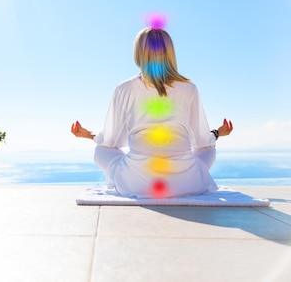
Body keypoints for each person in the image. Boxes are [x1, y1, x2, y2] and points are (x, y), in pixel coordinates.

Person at [71, 25, 233, 198]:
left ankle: (128, 179)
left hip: (137, 183)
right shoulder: (189, 88)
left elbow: (111, 140)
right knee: (208, 147)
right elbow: (201, 140)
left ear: (138, 54)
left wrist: (89, 135)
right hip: (186, 183)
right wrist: (216, 133)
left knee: (101, 150)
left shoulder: (124, 88)